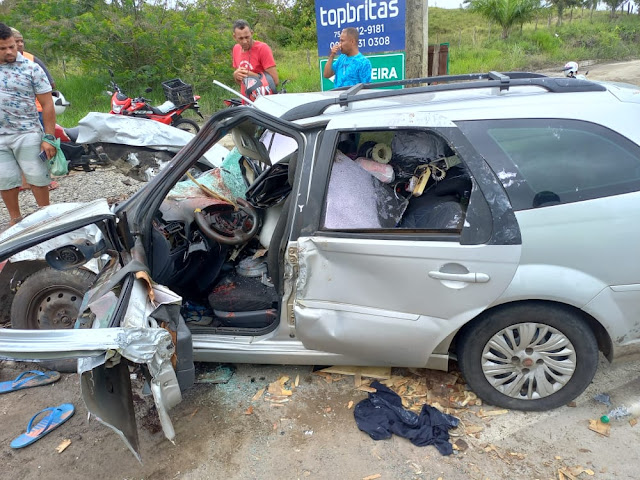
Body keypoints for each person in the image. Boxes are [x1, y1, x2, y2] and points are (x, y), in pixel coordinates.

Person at [0, 23, 56, 226]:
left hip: (27, 132)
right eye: (3, 48)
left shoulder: (31, 68)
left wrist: (48, 138)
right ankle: (15, 220)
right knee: (6, 181)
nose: (9, 51)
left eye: (12, 46)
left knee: (38, 178)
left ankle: (46, 217)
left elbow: (47, 103)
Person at [10, 27, 59, 192]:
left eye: (21, 41)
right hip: (13, 117)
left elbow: (50, 84)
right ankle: (24, 181)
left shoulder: (31, 60)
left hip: (37, 109)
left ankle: (46, 178)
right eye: (16, 42)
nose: (20, 44)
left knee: (40, 145)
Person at [231, 19, 279, 95]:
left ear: (252, 33)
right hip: (246, 99)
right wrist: (236, 75)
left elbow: (275, 82)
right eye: (240, 38)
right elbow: (241, 82)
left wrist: (252, 76)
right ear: (234, 37)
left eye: (247, 37)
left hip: (263, 99)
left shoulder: (263, 48)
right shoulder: (236, 49)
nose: (244, 41)